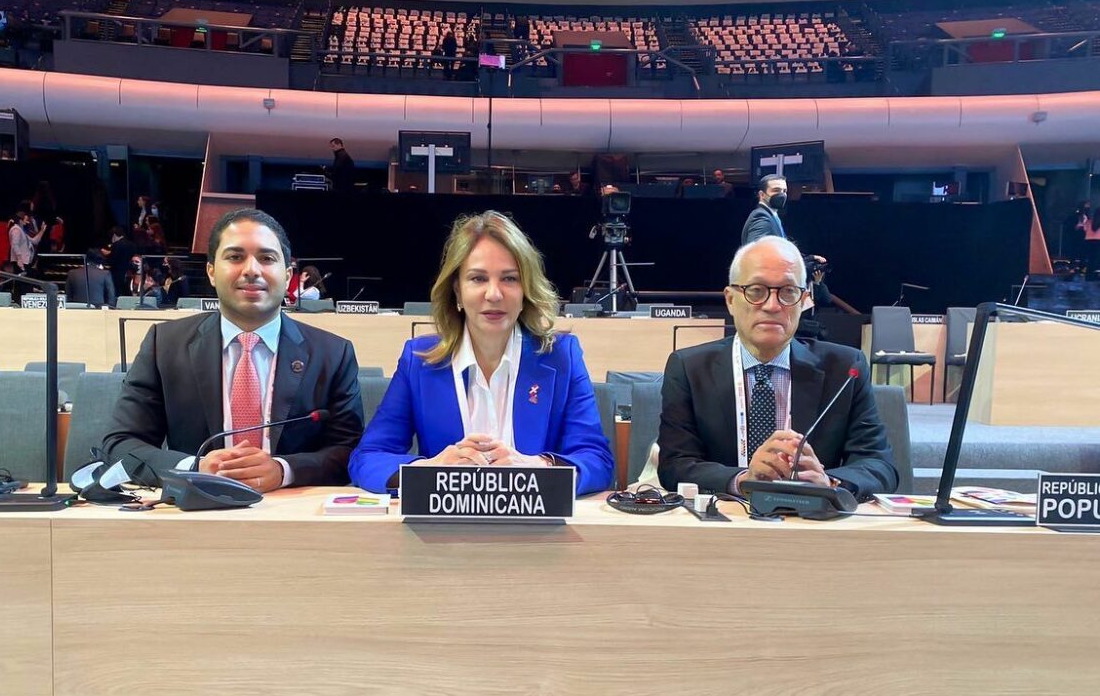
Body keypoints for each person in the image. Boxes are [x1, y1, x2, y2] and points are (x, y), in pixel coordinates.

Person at [349, 210, 613, 495]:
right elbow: (368, 458)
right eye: (478, 278)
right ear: (457, 291)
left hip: (535, 520)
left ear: (526, 290)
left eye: (509, 279)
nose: (494, 294)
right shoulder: (419, 360)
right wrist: (427, 470)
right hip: (445, 519)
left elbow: (596, 460)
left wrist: (539, 466)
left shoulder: (561, 356)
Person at [102, 208, 365, 490]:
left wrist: (284, 470)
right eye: (235, 257)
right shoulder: (164, 345)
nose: (251, 270)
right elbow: (121, 444)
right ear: (211, 272)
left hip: (293, 507)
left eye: (267, 258)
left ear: (288, 274)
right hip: (197, 506)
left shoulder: (333, 354)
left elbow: (349, 451)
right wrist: (195, 467)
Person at [657, 236, 897, 499]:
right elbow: (675, 465)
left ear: (804, 300)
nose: (772, 306)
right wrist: (743, 480)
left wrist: (829, 483)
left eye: (788, 292)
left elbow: (879, 465)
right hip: (728, 514)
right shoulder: (689, 369)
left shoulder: (844, 369)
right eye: (756, 290)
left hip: (811, 517)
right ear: (730, 300)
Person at [102, 225, 138, 293]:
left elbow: (112, 260)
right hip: (129, 273)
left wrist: (106, 256)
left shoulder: (116, 245)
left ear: (114, 235)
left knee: (117, 291)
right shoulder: (132, 244)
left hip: (117, 274)